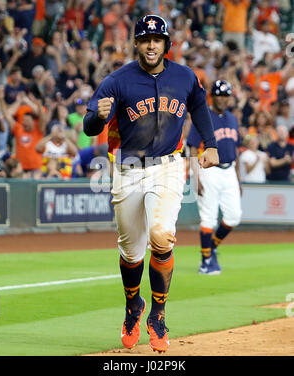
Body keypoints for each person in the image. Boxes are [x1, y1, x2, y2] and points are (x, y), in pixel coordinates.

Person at [84, 15, 219, 353]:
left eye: (157, 39)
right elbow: (88, 125)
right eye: (145, 39)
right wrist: (98, 117)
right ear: (136, 43)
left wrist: (211, 143)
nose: (151, 44)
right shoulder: (117, 80)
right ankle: (134, 307)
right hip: (127, 169)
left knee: (161, 235)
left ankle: (158, 314)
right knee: (130, 252)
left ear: (166, 43)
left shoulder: (185, 77)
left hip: (169, 167)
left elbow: (200, 107)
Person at [187, 80, 242, 275]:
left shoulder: (232, 118)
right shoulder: (203, 116)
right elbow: (192, 147)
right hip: (208, 169)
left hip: (230, 170)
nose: (223, 98)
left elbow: (235, 148)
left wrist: (238, 177)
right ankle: (206, 261)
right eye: (219, 94)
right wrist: (195, 177)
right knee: (208, 216)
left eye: (226, 95)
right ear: (213, 95)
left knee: (234, 216)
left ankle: (212, 245)